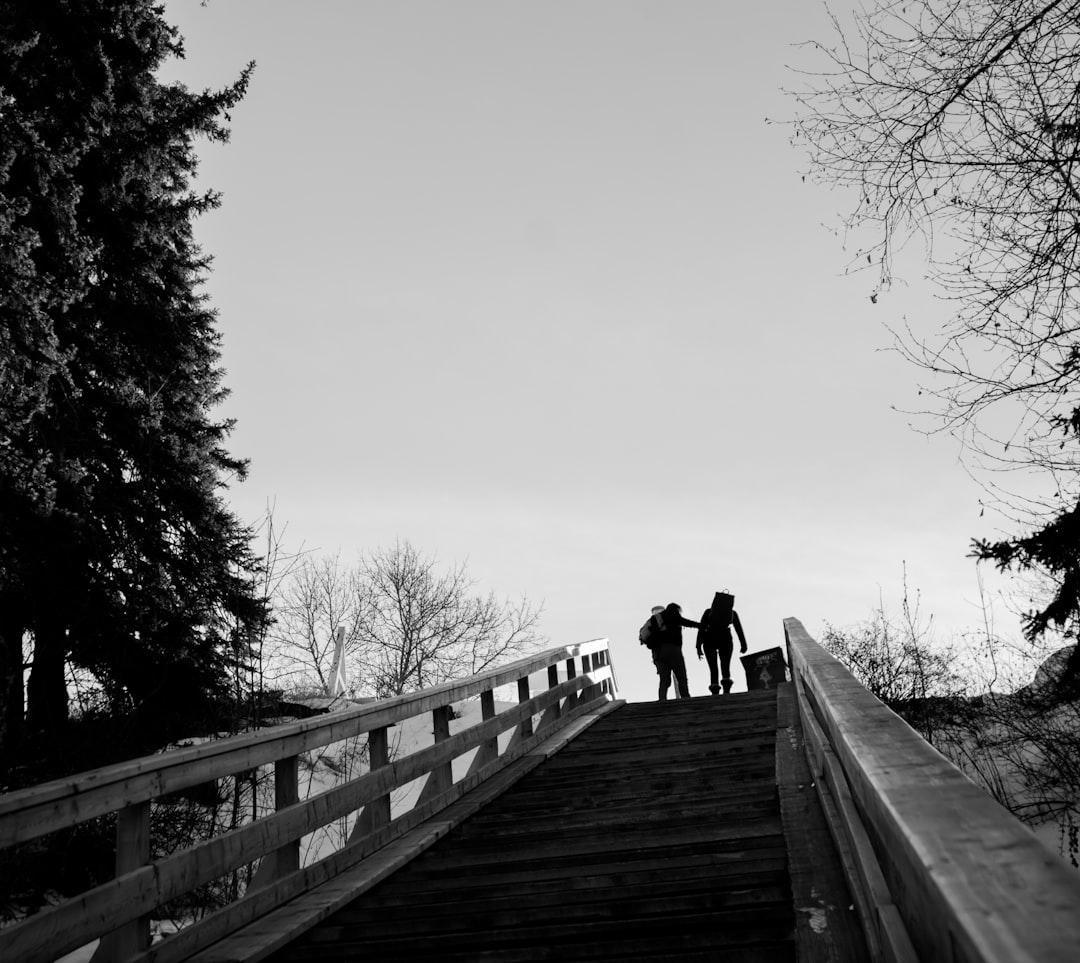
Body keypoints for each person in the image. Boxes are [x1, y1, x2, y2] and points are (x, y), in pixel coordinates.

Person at [696, 591, 748, 695]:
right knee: (725, 665)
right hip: (726, 638)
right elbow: (739, 630)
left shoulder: (708, 612)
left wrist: (698, 647)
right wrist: (743, 644)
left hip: (709, 639)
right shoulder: (732, 613)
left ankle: (715, 689)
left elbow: (701, 629)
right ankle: (726, 689)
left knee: (713, 667)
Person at [651, 602, 699, 701]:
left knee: (664, 680)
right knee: (681, 677)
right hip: (673, 649)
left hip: (658, 653)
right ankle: (685, 698)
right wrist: (702, 626)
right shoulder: (673, 615)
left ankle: (662, 700)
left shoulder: (656, 619)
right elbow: (687, 623)